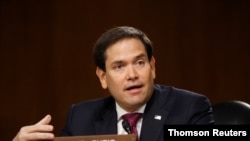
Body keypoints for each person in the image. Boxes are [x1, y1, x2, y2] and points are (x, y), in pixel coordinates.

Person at [13, 26, 214, 141]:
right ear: (102, 77)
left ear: (152, 67)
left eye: (140, 63)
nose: (132, 74)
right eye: (119, 66)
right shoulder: (81, 117)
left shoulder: (189, 108)